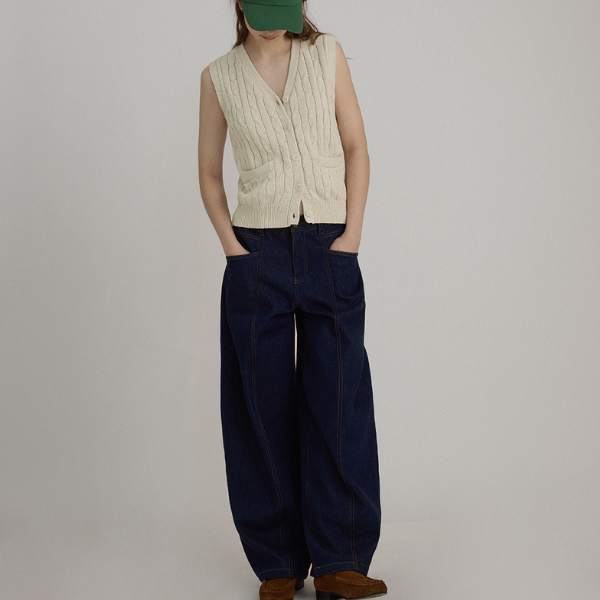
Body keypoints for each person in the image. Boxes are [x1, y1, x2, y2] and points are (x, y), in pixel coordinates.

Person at [198, 1, 388, 599]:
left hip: (329, 245)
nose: (271, 18)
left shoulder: (326, 55)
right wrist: (233, 249)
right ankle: (278, 562)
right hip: (257, 253)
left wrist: (351, 236)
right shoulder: (218, 76)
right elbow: (209, 173)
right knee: (261, 405)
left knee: (338, 399)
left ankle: (340, 560)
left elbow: (355, 145)